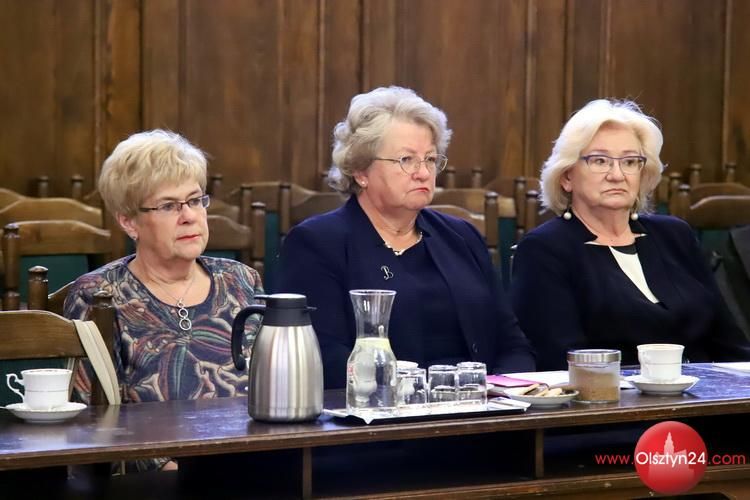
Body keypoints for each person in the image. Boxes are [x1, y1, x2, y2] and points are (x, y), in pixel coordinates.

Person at [278, 86, 535, 389]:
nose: (423, 173)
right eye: (406, 160)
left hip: (481, 405)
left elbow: (512, 343)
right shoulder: (317, 244)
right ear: (361, 171)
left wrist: (503, 392)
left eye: (430, 159)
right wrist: (413, 393)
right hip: (381, 410)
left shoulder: (462, 237)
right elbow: (323, 357)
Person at [64, 130, 263, 470]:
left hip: (254, 464)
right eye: (169, 206)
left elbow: (268, 390)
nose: (189, 216)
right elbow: (91, 421)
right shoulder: (99, 295)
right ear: (129, 222)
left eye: (195, 200)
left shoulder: (241, 280)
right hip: (156, 478)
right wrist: (172, 471)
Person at [510, 99, 750, 370]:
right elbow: (562, 360)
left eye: (630, 162)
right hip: (612, 395)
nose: (617, 175)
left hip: (707, 391)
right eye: (600, 161)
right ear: (567, 177)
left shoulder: (675, 235)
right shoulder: (544, 249)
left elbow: (729, 342)